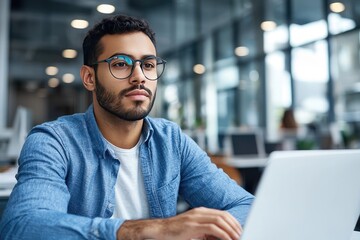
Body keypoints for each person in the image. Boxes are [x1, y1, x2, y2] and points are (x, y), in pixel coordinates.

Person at [0, 15, 254, 240]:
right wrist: (146, 231)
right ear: (89, 78)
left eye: (148, 64)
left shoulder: (171, 140)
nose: (139, 76)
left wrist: (206, 231)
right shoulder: (54, 142)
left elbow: (246, 204)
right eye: (120, 63)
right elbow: (24, 228)